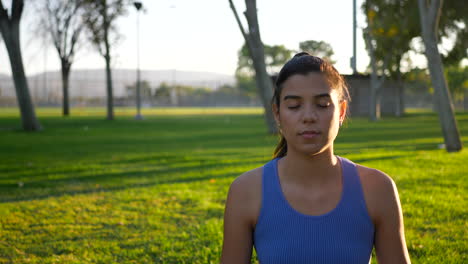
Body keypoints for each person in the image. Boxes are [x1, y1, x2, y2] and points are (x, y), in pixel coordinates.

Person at [220, 52, 411, 264]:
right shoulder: (246, 191)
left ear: (341, 112)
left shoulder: (377, 188)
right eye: (294, 106)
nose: (308, 116)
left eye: (322, 104)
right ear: (277, 113)